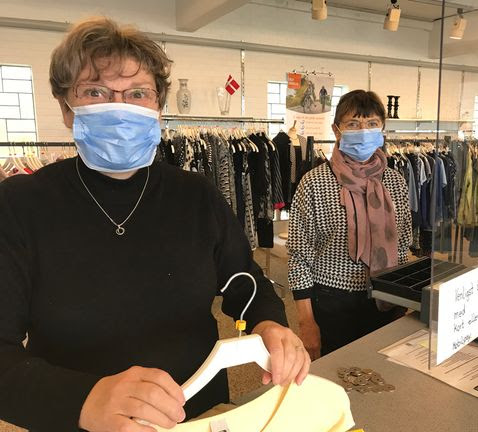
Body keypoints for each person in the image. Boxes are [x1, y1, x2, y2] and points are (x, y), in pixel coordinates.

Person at [0, 18, 309, 432]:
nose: (119, 108)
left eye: (137, 93)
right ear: (66, 108)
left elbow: (244, 281)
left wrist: (269, 323)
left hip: (198, 417)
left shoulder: (196, 196)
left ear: (158, 108)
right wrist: (83, 399)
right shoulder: (20, 205)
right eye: (95, 91)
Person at [287, 90, 412, 360]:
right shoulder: (315, 183)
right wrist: (306, 323)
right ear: (337, 131)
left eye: (372, 124)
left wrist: (402, 303)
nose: (363, 132)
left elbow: (403, 246)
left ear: (382, 129)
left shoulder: (395, 182)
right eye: (353, 124)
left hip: (385, 302)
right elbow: (299, 257)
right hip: (332, 303)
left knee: (381, 372)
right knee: (334, 374)